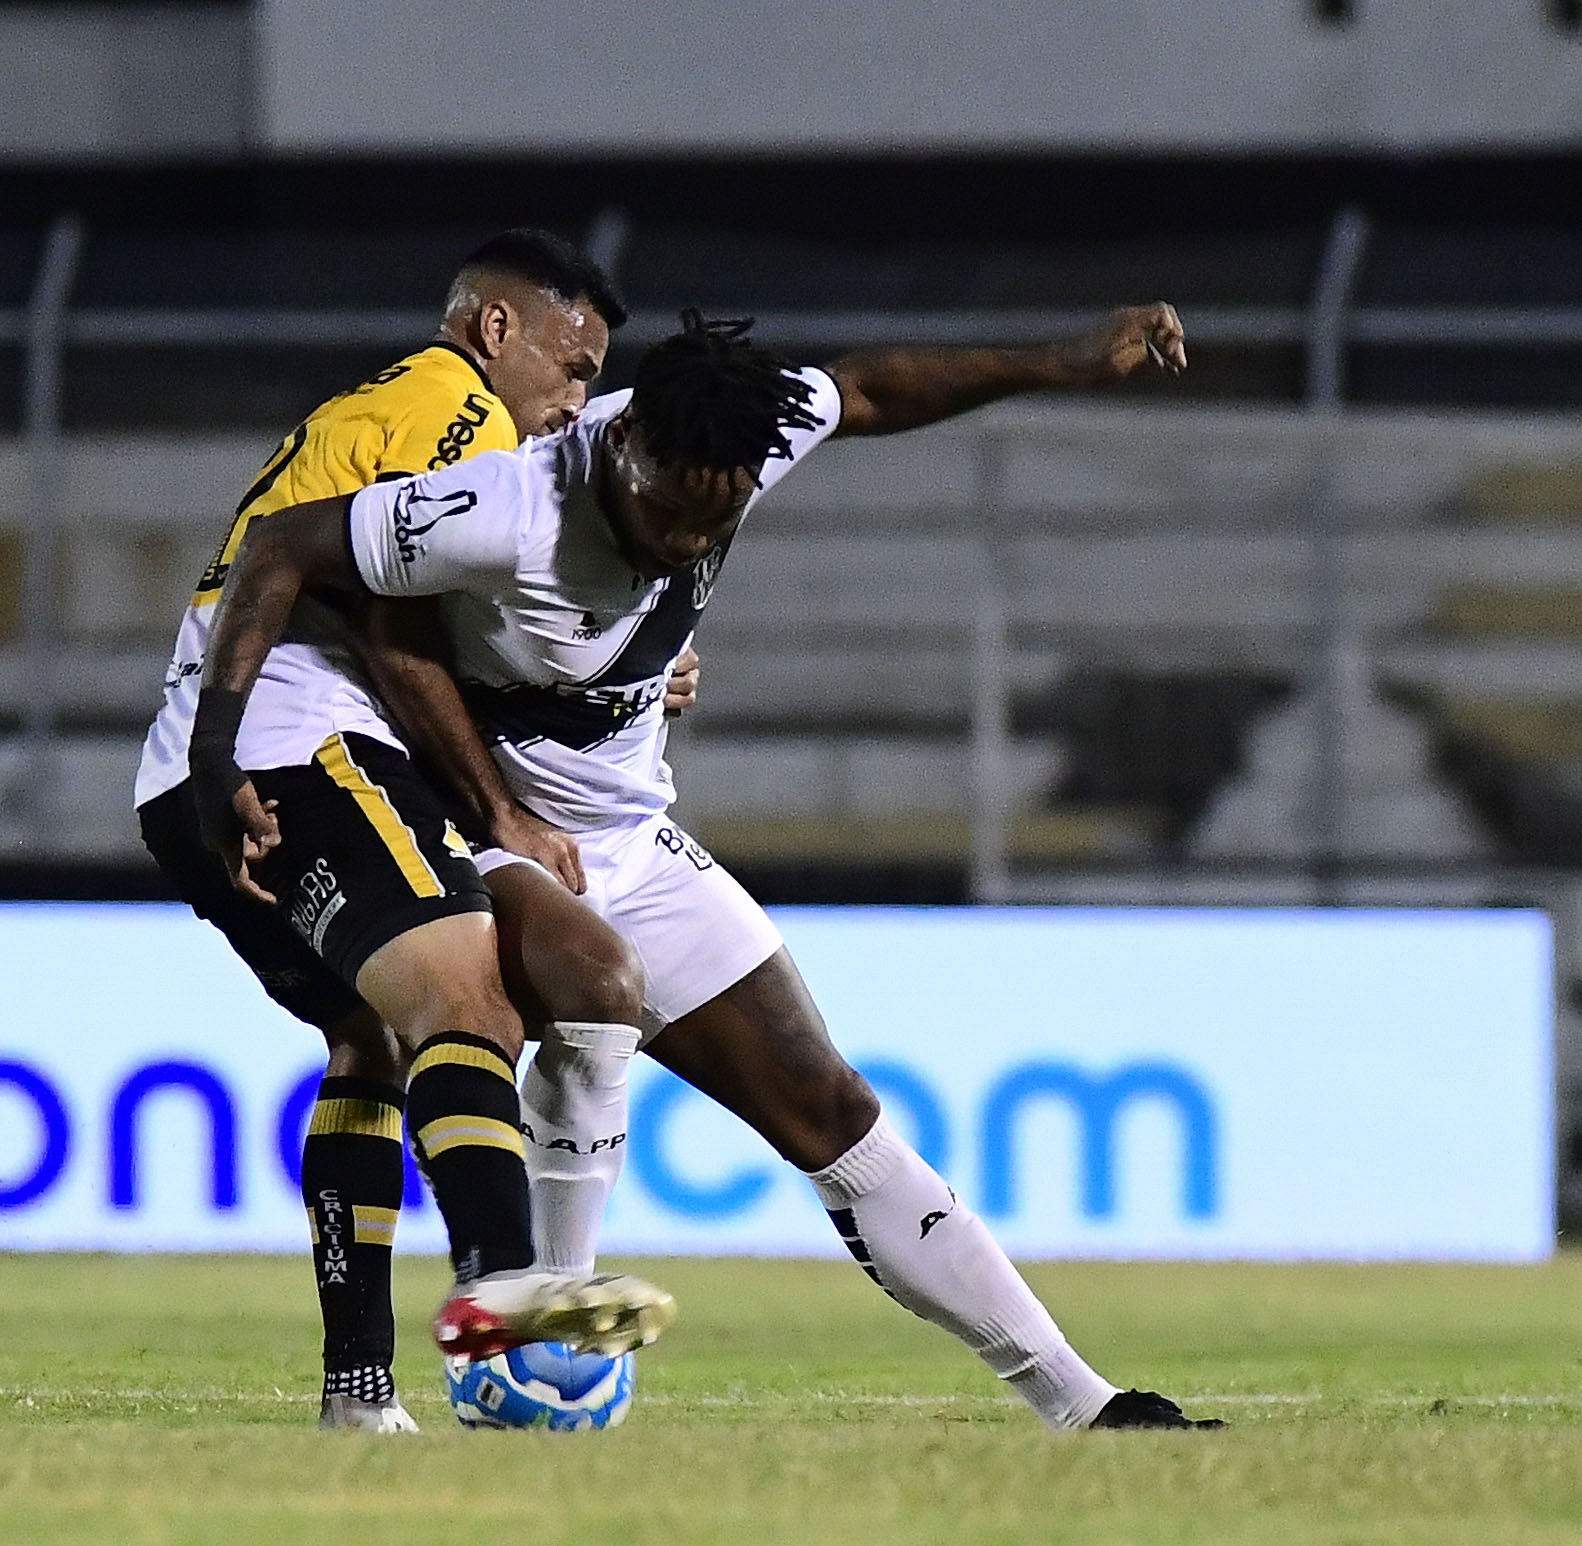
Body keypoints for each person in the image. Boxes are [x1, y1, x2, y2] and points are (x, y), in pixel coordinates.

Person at [188, 304, 1225, 1431]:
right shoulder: (506, 508)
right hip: (492, 827)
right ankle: (535, 1344)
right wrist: (234, 752)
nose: (688, 537)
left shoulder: (739, 439)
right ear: (626, 448)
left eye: (714, 516)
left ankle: (1085, 1405)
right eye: (670, 509)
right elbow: (299, 553)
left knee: (829, 1104)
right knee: (594, 980)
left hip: (632, 833)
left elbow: (871, 385)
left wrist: (1060, 361)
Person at [135, 230, 677, 1433]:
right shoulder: (458, 418)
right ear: (495, 331)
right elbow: (397, 640)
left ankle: (359, 1392)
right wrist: (500, 812)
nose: (575, 399)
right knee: (468, 1005)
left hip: (190, 768)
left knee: (369, 1041)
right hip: (299, 744)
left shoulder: (378, 404)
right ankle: (509, 1313)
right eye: (572, 364)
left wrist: (621, 676)